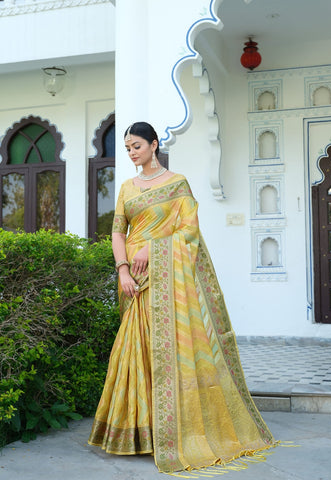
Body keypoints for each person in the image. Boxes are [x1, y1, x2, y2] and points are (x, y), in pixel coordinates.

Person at [88, 122, 275, 474]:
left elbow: (188, 231)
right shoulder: (127, 188)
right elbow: (117, 232)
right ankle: (139, 433)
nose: (131, 153)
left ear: (154, 144)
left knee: (172, 352)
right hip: (135, 281)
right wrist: (124, 269)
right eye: (127, 148)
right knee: (136, 351)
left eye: (137, 146)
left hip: (167, 280)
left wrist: (152, 247)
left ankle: (174, 432)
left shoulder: (177, 184)